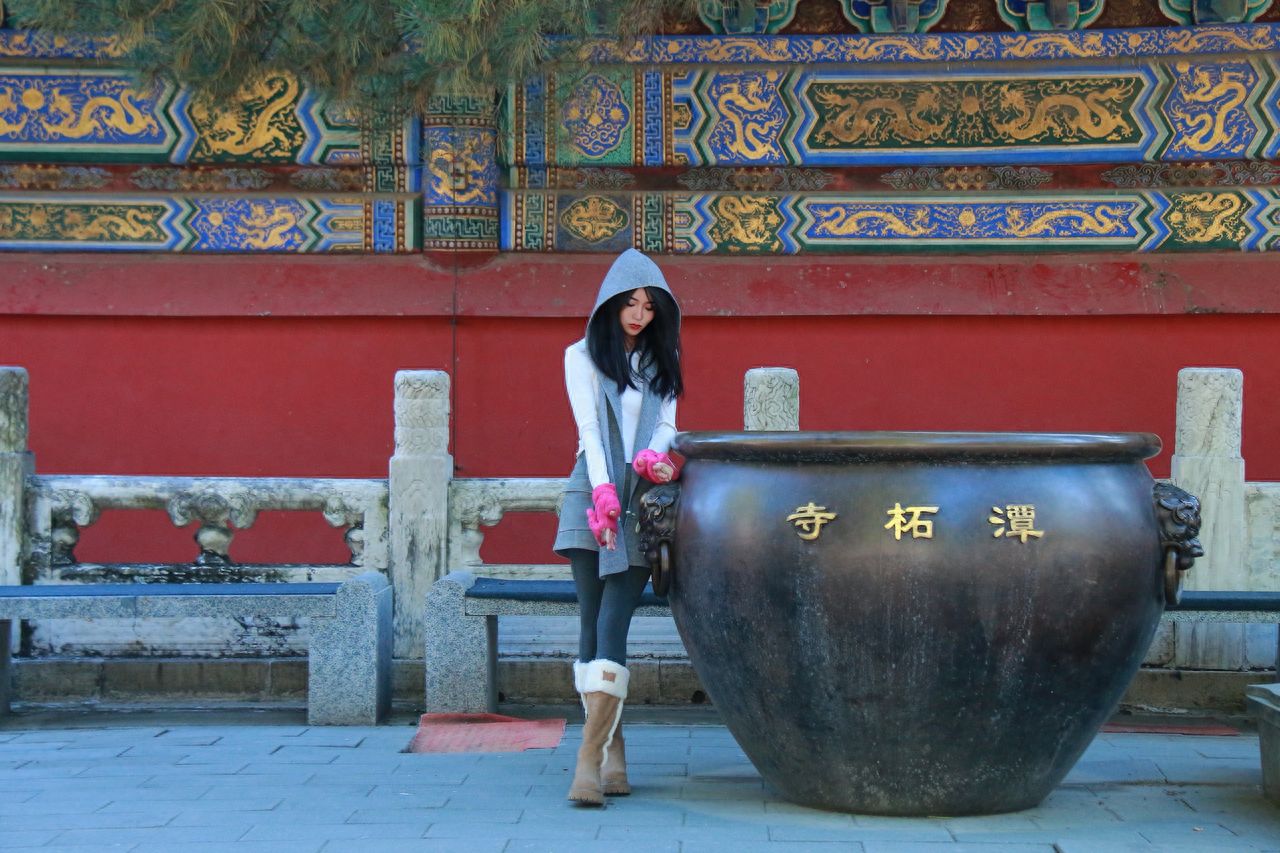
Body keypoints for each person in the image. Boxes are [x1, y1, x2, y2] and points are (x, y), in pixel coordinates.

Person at [553, 248, 684, 806]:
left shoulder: (661, 359)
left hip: (641, 500)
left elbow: (668, 425)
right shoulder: (581, 355)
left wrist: (654, 458)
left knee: (614, 621)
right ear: (610, 303)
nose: (639, 315)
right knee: (590, 623)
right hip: (592, 489)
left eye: (650, 307)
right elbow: (588, 430)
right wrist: (603, 494)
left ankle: (589, 757)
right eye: (631, 303)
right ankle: (613, 748)